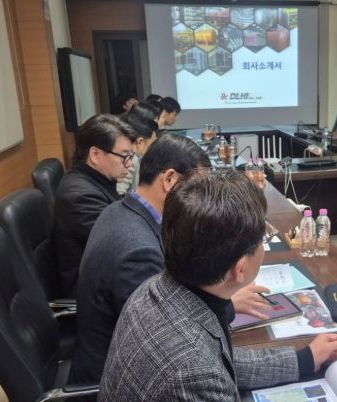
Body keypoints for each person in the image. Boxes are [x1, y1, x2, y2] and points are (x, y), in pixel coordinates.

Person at [99, 170, 337, 400]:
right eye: (261, 238)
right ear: (239, 269)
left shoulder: (155, 288)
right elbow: (205, 369)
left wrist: (304, 359)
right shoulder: (193, 373)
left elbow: (220, 362)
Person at [72, 134, 274, 387]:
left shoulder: (121, 211)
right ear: (169, 179)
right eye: (197, 189)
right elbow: (173, 341)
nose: (205, 201)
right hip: (114, 379)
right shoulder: (139, 252)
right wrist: (225, 300)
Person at [52, 114, 137, 297]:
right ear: (95, 155)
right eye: (124, 156)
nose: (129, 164)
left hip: (108, 277)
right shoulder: (79, 196)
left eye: (131, 156)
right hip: (93, 293)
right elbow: (123, 244)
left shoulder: (97, 181)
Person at [116, 113, 159, 195]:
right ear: (139, 142)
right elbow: (120, 192)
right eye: (152, 144)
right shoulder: (131, 160)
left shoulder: (135, 158)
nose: (153, 148)